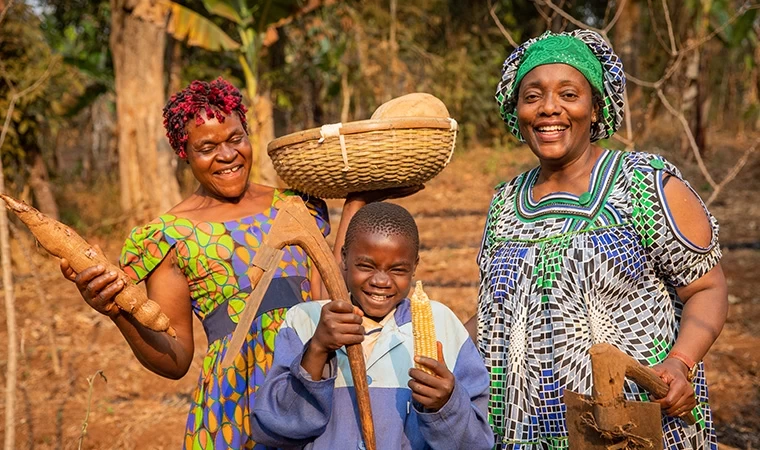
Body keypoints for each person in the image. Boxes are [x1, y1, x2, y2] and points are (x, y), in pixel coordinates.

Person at [60, 77, 412, 449]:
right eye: (206, 147)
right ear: (185, 153)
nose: (227, 155)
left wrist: (358, 199)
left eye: (235, 139)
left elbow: (329, 292)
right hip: (236, 398)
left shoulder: (295, 204)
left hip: (313, 378)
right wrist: (116, 311)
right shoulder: (170, 237)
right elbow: (175, 359)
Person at [473, 30, 728, 449]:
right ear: (515, 109)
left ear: (595, 108)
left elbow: (707, 286)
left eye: (568, 94)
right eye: (532, 96)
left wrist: (680, 363)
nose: (549, 108)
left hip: (631, 424)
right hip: (523, 430)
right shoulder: (504, 204)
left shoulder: (644, 184)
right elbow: (496, 316)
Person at [250, 202, 494, 449]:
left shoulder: (443, 325)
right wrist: (317, 350)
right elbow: (272, 429)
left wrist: (445, 406)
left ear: (415, 267)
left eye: (398, 269)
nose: (380, 281)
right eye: (366, 266)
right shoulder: (305, 321)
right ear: (344, 258)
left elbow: (475, 444)